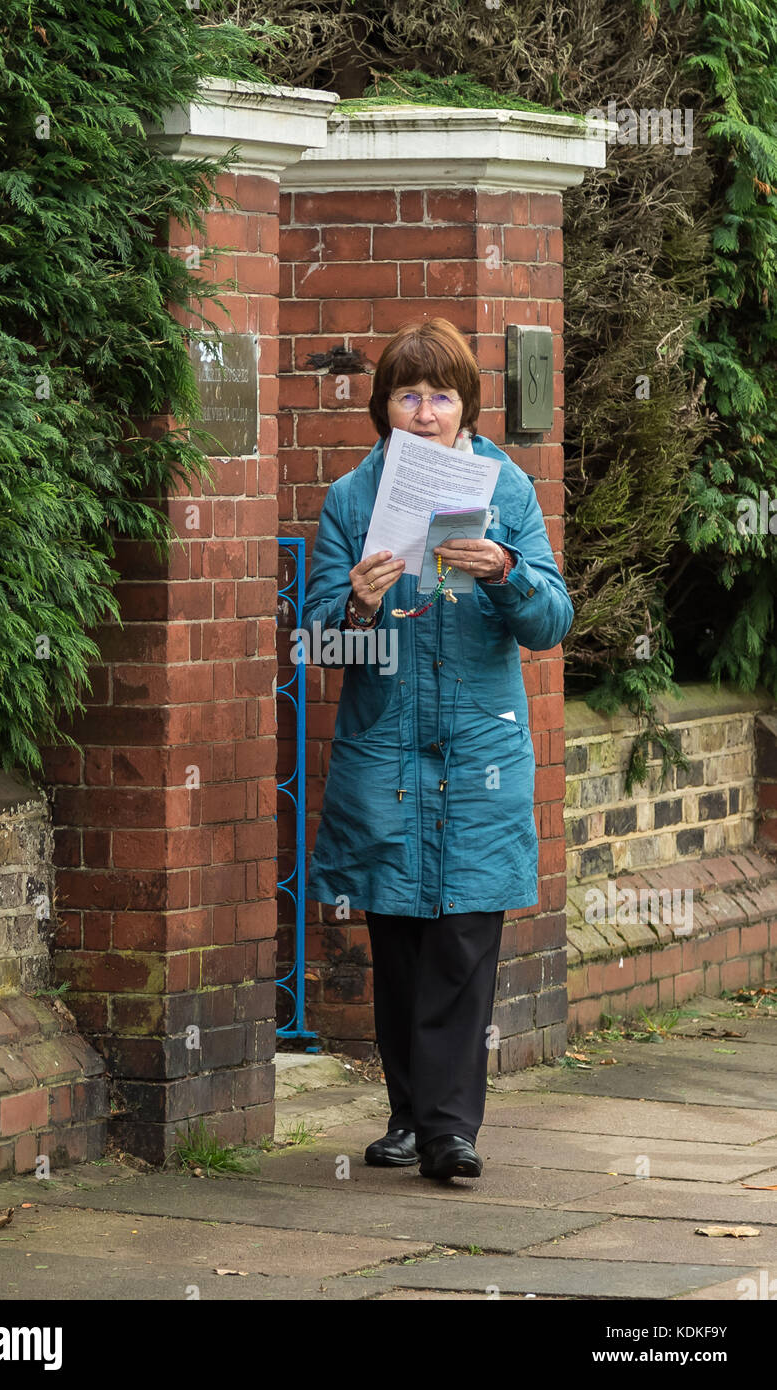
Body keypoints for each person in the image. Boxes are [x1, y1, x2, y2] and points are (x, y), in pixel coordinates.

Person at [301, 318, 574, 1180]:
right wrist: (356, 608)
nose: (424, 412)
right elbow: (315, 647)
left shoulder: (508, 490)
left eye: (441, 396)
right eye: (407, 396)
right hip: (386, 756)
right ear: (384, 408)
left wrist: (504, 570)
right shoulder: (352, 500)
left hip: (478, 753)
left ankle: (451, 1129)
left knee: (462, 940)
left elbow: (551, 623)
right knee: (401, 940)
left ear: (466, 407)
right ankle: (410, 1115)